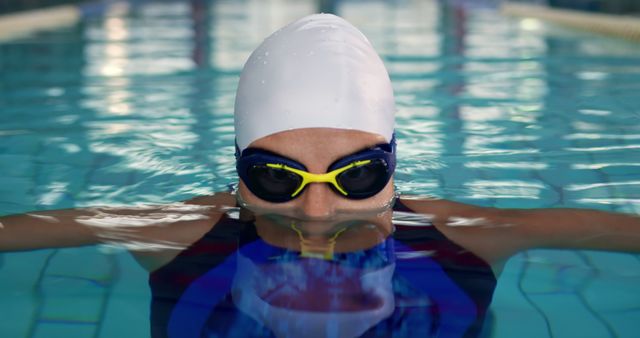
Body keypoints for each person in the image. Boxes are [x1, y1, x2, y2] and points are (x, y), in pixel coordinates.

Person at [1, 13, 639, 338]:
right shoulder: (179, 231)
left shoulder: (470, 233)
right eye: (276, 178)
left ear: (394, 163)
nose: (315, 212)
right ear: (236, 165)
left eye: (357, 175)